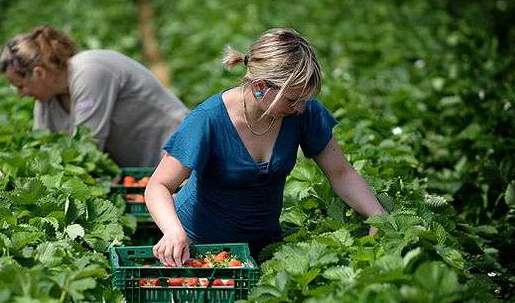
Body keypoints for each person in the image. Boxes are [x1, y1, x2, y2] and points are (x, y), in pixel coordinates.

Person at [144, 28, 388, 267]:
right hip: (200, 249)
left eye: (304, 99)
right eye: (292, 99)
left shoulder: (304, 113)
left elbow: (341, 172)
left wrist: (378, 216)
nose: (300, 107)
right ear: (260, 86)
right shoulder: (208, 120)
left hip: (265, 245)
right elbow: (159, 185)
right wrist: (174, 232)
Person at [0, 25, 189, 167]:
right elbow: (41, 147)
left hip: (183, 156)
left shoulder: (90, 71)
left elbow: (87, 149)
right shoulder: (47, 99)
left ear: (39, 73)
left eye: (20, 86)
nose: (21, 95)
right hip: (146, 173)